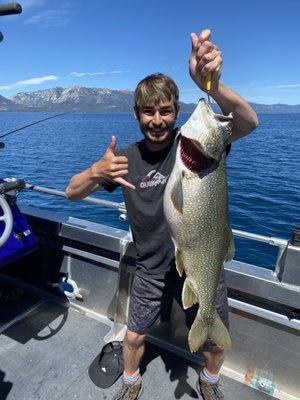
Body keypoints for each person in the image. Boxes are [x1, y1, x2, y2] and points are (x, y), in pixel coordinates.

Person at [66, 28, 258, 400]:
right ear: (137, 114)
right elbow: (71, 193)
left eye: (165, 111)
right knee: (134, 336)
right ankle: (132, 380)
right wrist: (95, 173)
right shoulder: (124, 160)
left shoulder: (197, 143)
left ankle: (210, 381)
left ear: (176, 112)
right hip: (151, 268)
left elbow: (248, 122)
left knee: (215, 344)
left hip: (203, 262)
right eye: (149, 112)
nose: (158, 120)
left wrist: (213, 84)